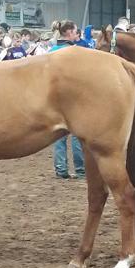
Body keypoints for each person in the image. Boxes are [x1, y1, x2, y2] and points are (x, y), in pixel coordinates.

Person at [48, 20, 86, 178]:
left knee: (59, 136)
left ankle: (61, 170)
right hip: (75, 98)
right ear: (69, 33)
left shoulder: (51, 51)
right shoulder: (76, 53)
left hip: (55, 98)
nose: (77, 34)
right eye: (76, 31)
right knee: (78, 136)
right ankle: (81, 170)